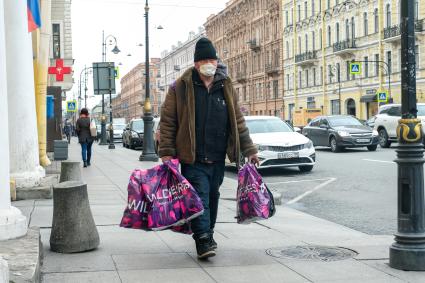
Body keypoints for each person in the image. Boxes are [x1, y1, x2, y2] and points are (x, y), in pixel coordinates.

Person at [159, 37, 259, 259]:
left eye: (212, 59)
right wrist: (166, 152)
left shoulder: (225, 84)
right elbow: (168, 122)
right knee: (200, 198)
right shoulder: (180, 87)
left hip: (217, 155)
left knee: (212, 197)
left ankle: (208, 234)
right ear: (195, 64)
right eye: (204, 60)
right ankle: (203, 239)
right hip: (191, 156)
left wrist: (250, 149)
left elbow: (238, 121)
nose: (209, 64)